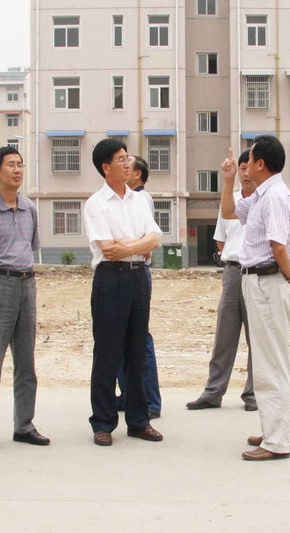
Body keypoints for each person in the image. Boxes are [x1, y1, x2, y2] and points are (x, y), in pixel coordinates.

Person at [219, 138, 290, 461]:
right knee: (268, 362)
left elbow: (278, 246)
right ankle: (274, 431)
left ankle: (277, 441)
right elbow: (229, 211)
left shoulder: (275, 196)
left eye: (250, 159)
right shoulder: (262, 195)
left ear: (261, 164)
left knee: (270, 364)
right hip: (259, 281)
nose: (246, 166)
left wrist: (288, 275)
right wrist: (228, 180)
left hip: (267, 281)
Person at [0, 146, 49, 453]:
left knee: (26, 363)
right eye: (11, 165)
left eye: (20, 164)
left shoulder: (29, 208)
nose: (17, 170)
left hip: (27, 285)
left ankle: (24, 426)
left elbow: (30, 247)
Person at [85, 138, 163, 447]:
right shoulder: (96, 204)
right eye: (121, 159)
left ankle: (138, 421)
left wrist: (129, 246)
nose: (127, 163)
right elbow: (108, 249)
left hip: (138, 279)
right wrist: (139, 245)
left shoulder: (139, 200)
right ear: (106, 168)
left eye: (127, 158)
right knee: (107, 352)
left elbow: (154, 239)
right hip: (110, 279)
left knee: (137, 351)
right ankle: (103, 422)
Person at [187, 151, 257, 411]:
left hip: (258, 274)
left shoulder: (266, 200)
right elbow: (220, 240)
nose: (245, 173)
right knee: (224, 335)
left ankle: (253, 394)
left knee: (257, 338)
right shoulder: (231, 200)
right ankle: (213, 392)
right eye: (242, 167)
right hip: (232, 273)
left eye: (249, 167)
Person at [115, 155, 162, 419]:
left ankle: (150, 402)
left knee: (140, 339)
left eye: (128, 164)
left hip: (137, 271)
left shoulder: (141, 199)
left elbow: (146, 244)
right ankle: (129, 396)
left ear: (137, 175)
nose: (123, 166)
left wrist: (123, 247)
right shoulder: (122, 199)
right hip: (123, 271)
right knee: (122, 338)